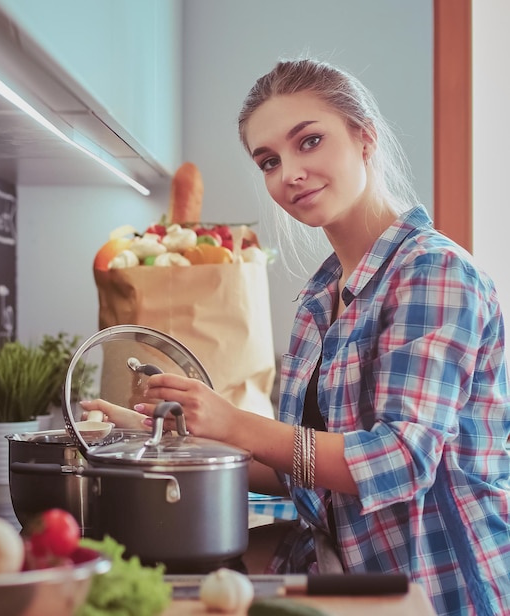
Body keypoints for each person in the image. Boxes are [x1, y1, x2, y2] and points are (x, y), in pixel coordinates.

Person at [81, 57, 510, 616]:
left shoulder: (433, 273)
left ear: (364, 138)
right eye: (269, 160)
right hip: (344, 576)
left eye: (309, 141)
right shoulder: (320, 298)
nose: (288, 173)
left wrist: (236, 422)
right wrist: (169, 436)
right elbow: (305, 471)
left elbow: (400, 461)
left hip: (439, 589)